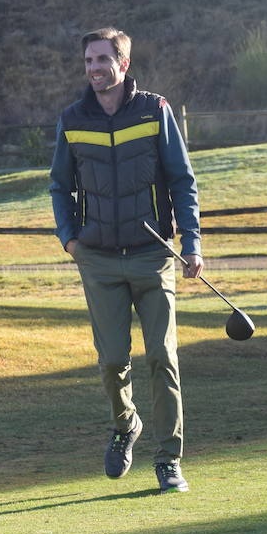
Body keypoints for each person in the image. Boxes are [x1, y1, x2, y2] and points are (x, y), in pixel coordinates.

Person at [49, 27, 202, 493]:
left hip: (153, 256)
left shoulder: (155, 111)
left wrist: (191, 242)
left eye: (103, 59)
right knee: (113, 360)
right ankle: (125, 425)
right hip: (96, 259)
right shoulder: (72, 119)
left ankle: (168, 458)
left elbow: (182, 178)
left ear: (123, 64)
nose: (95, 68)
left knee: (162, 357)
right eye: (89, 60)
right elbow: (60, 186)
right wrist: (70, 241)